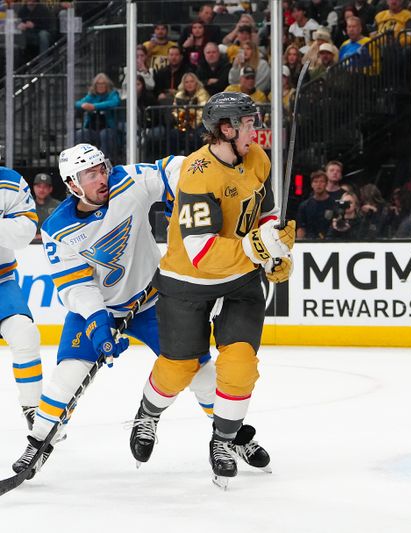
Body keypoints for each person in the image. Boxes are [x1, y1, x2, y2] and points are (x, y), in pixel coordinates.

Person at [10, 144, 262, 478]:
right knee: (66, 379)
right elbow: (75, 286)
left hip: (153, 302)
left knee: (200, 372)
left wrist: (185, 196)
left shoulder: (127, 181)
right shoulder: (57, 229)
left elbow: (178, 168)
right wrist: (99, 323)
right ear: (73, 184)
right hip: (97, 312)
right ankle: (38, 443)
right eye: (90, 174)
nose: (101, 177)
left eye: (102, 169)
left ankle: (231, 436)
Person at [128, 92, 295, 488]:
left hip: (240, 281)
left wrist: (274, 251)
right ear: (226, 129)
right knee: (179, 367)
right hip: (188, 280)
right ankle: (148, 414)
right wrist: (257, 250)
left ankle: (222, 441)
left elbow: (264, 212)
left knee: (239, 364)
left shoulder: (256, 158)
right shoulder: (197, 173)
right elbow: (200, 252)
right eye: (249, 123)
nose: (256, 129)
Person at [0, 163, 42, 431]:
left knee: (25, 334)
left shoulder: (10, 181)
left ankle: (35, 410)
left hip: (1, 281)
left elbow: (25, 233)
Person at [75, 73, 121, 159]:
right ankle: (82, 160)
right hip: (92, 129)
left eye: (103, 83)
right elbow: (77, 103)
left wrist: (94, 106)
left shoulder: (112, 94)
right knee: (80, 134)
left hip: (108, 129)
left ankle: (103, 161)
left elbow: (114, 102)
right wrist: (83, 105)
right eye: (98, 84)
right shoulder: (92, 96)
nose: (100, 86)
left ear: (107, 85)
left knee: (105, 134)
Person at [296, 170, 336, 240]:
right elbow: (301, 228)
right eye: (315, 181)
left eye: (321, 181)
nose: (318, 184)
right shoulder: (304, 206)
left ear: (326, 184)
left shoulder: (333, 204)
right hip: (310, 241)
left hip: (330, 241)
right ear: (312, 184)